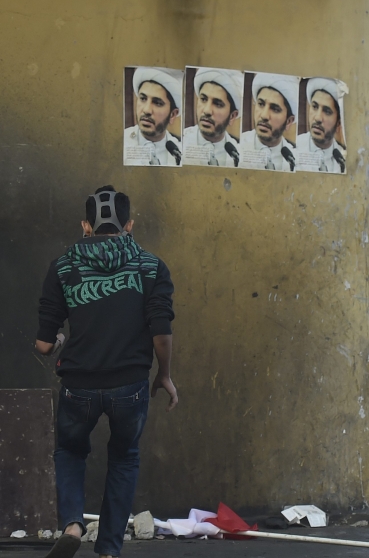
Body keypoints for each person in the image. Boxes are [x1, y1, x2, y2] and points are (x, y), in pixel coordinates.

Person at [36, 186, 178, 558]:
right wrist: (164, 374)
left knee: (70, 452)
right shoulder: (151, 267)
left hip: (78, 385)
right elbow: (161, 331)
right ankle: (109, 550)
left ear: (86, 226)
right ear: (129, 225)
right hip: (130, 385)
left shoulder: (62, 267)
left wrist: (61, 338)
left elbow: (44, 345)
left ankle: (72, 524)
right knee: (124, 458)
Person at [183, 68, 242, 167]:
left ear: (232, 116)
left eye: (218, 104)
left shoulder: (238, 154)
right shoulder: (181, 143)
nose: (207, 111)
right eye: (203, 99)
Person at [124, 67, 183, 167]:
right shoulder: (121, 143)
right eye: (143, 99)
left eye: (157, 103)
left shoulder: (179, 152)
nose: (147, 110)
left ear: (172, 114)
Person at [239, 73, 297, 172]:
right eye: (261, 104)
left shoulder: (293, 158)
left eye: (275, 109)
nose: (264, 116)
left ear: (289, 121)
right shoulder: (238, 146)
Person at [296, 77, 348, 173]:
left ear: (338, 123)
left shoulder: (342, 158)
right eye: (314, 107)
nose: (318, 118)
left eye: (327, 111)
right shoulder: (294, 149)